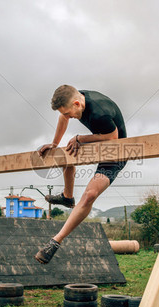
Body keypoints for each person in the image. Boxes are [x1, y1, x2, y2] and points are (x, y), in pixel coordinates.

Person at [34, 85, 127, 264]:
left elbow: (113, 137)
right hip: (99, 145)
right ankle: (67, 197)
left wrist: (81, 138)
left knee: (90, 195)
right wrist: (54, 144)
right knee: (66, 154)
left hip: (116, 151)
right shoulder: (76, 100)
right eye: (66, 114)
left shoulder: (100, 112)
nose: (69, 117)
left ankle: (55, 242)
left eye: (70, 114)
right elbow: (63, 116)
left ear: (77, 103)